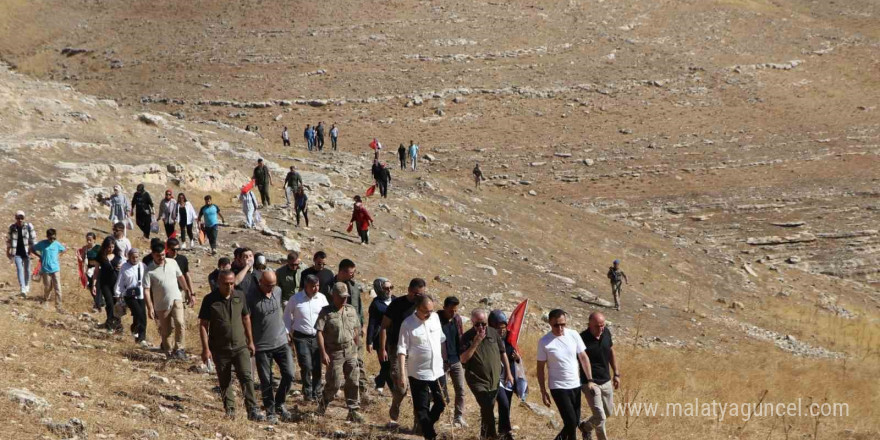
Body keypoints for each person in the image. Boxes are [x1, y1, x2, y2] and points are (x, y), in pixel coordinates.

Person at [198, 270, 265, 421]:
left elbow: (246, 317)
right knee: (225, 380)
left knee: (247, 377)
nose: (229, 287)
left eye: (232, 283)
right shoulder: (210, 299)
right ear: (218, 283)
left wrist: (250, 341)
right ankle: (230, 411)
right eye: (226, 284)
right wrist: (205, 349)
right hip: (220, 349)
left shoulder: (239, 296)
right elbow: (203, 325)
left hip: (240, 346)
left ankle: (252, 409)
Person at [536, 309, 599, 440]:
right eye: (556, 325)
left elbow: (583, 357)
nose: (560, 328)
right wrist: (543, 391)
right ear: (549, 323)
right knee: (570, 422)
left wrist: (590, 380)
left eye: (562, 324)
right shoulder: (544, 342)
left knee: (574, 422)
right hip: (558, 387)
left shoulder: (574, 335)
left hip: (575, 385)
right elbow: (540, 368)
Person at [246, 271, 296, 424]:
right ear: (260, 282)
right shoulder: (250, 297)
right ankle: (270, 410)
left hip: (281, 341)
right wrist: (250, 341)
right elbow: (245, 319)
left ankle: (280, 403)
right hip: (262, 346)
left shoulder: (278, 292)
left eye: (273, 285)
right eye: (268, 285)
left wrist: (287, 333)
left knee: (289, 374)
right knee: (266, 380)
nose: (271, 289)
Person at [379, 278, 426, 429]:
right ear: (409, 290)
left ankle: (418, 424)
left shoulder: (423, 306)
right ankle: (396, 402)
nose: (419, 297)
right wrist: (382, 348)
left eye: (422, 294)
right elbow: (384, 326)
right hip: (397, 348)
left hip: (417, 351)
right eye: (417, 294)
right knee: (401, 386)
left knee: (419, 389)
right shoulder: (397, 304)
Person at [460, 308, 513, 440]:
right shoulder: (466, 337)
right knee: (487, 406)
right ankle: (493, 435)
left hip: (494, 379)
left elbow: (503, 353)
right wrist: (476, 341)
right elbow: (463, 359)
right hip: (477, 380)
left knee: (492, 407)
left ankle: (486, 435)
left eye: (483, 324)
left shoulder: (493, 333)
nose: (481, 327)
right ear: (472, 322)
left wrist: (509, 372)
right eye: (477, 324)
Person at [398, 294, 446, 440]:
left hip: (437, 371)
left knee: (442, 403)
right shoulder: (407, 324)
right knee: (422, 409)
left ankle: (427, 426)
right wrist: (402, 375)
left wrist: (445, 361)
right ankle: (429, 435)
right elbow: (401, 350)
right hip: (418, 373)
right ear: (417, 308)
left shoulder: (435, 318)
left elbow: (441, 340)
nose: (429, 314)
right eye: (426, 311)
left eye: (431, 310)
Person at [315, 282, 364, 422]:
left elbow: (356, 329)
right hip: (334, 352)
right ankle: (323, 404)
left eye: (346, 297)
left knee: (353, 381)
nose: (344, 299)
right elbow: (319, 332)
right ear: (334, 295)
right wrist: (323, 353)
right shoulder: (326, 312)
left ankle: (353, 410)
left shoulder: (351, 310)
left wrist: (357, 347)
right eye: (341, 297)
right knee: (334, 383)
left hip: (350, 350)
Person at [144, 240, 194, 359]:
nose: (161, 257)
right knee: (166, 330)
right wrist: (150, 307)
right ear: (153, 255)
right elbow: (146, 290)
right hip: (161, 304)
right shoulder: (149, 270)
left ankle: (179, 349)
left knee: (180, 323)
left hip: (176, 298)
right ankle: (169, 353)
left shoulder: (172, 262)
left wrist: (187, 291)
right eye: (158, 255)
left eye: (163, 254)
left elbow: (180, 276)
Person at [283, 274, 328, 402]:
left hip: (318, 336)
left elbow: (328, 316)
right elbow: (286, 316)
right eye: (313, 286)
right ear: (306, 286)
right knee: (306, 364)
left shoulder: (322, 298)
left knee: (317, 365)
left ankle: (317, 392)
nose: (316, 289)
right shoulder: (295, 299)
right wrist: (286, 332)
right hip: (300, 337)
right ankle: (307, 392)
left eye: (317, 285)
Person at [578, 312, 620, 440]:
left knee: (607, 412)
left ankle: (585, 427)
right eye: (597, 326)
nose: (601, 328)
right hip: (590, 383)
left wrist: (616, 373)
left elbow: (611, 351)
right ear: (589, 325)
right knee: (600, 417)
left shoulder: (606, 332)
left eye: (603, 325)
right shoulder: (581, 339)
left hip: (606, 380)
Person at [334, 259, 369, 400]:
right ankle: (334, 389)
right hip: (337, 331)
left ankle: (363, 391)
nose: (353, 275)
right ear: (342, 272)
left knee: (358, 361)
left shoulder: (354, 287)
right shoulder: (330, 286)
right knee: (337, 363)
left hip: (354, 330)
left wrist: (363, 325)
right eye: (350, 273)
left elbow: (359, 308)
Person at [489, 310, 519, 440]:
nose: (502, 330)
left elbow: (515, 358)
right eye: (498, 327)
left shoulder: (509, 340)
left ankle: (503, 432)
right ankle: (492, 433)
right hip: (494, 378)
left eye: (504, 327)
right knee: (502, 404)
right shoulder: (488, 339)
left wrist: (517, 358)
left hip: (508, 377)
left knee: (506, 406)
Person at [439, 296, 466, 427]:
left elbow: (460, 339)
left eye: (455, 310)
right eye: (450, 310)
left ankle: (458, 417)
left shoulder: (457, 319)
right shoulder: (435, 318)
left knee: (460, 389)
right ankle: (439, 414)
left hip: (456, 360)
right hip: (440, 361)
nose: (453, 313)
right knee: (442, 391)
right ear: (444, 308)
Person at [114, 248, 148, 346]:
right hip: (129, 295)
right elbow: (120, 281)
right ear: (129, 257)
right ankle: (135, 329)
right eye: (133, 257)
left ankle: (141, 338)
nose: (135, 259)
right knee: (138, 313)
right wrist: (117, 294)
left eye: (137, 257)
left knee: (143, 316)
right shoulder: (124, 267)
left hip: (141, 294)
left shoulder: (143, 266)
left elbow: (147, 280)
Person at [367, 278, 394, 393]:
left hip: (394, 338)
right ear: (379, 289)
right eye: (386, 288)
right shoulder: (376, 304)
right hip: (380, 338)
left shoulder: (396, 300)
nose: (389, 290)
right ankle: (392, 389)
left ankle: (380, 381)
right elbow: (372, 323)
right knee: (385, 364)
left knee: (392, 365)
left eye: (390, 287)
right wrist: (369, 341)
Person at [91, 236, 123, 330]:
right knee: (109, 303)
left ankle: (116, 323)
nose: (111, 249)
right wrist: (94, 284)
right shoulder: (101, 256)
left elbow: (123, 267)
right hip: (105, 283)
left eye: (112, 247)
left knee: (115, 304)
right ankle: (109, 324)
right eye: (109, 247)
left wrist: (120, 267)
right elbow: (96, 271)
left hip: (116, 283)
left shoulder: (117, 256)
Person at [32, 228, 66, 311]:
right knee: (47, 287)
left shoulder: (57, 244)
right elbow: (32, 249)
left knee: (58, 287)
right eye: (51, 238)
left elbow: (64, 250)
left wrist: (58, 255)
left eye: (54, 238)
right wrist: (39, 256)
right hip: (45, 269)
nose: (52, 240)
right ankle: (46, 300)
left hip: (55, 269)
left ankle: (58, 306)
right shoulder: (42, 244)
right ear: (47, 236)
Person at [7, 211, 36, 297]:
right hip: (16, 252)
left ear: (24, 218)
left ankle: (27, 285)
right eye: (18, 218)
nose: (20, 220)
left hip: (27, 251)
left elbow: (33, 239)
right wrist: (7, 251)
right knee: (20, 269)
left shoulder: (29, 227)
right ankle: (22, 288)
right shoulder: (12, 227)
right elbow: (9, 240)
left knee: (27, 269)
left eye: (21, 218)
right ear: (15, 218)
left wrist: (33, 251)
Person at [78, 232, 101, 310]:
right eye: (87, 240)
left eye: (90, 240)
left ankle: (99, 303)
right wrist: (79, 257)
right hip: (89, 270)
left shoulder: (98, 248)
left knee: (96, 286)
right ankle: (97, 302)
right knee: (90, 286)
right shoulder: (85, 248)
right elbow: (83, 259)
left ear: (94, 240)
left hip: (98, 269)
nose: (88, 241)